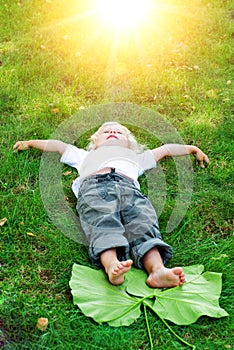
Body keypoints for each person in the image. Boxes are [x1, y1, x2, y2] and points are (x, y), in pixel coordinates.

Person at [14, 121, 209, 288]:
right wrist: (30, 143)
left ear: (129, 144)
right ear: (95, 142)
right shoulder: (83, 155)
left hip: (130, 191)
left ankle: (157, 270)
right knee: (103, 222)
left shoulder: (136, 158)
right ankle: (112, 265)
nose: (112, 133)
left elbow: (166, 149)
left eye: (119, 132)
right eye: (106, 131)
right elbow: (57, 145)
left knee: (144, 223)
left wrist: (192, 149)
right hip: (95, 189)